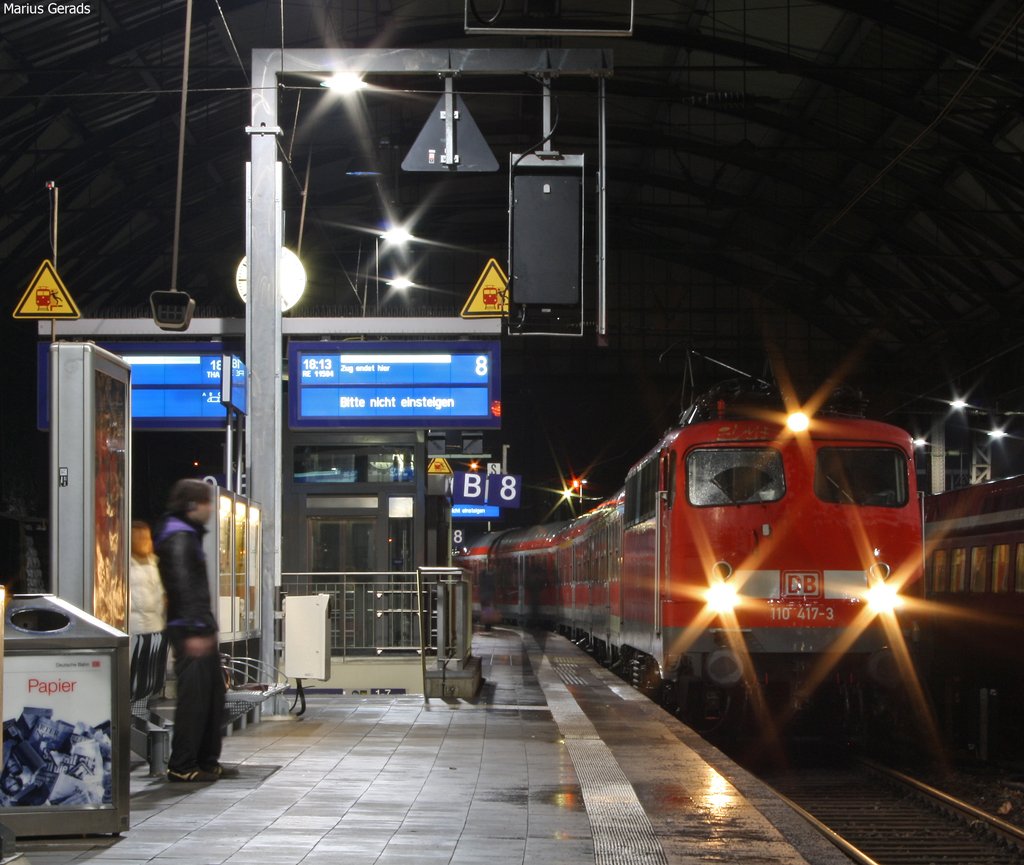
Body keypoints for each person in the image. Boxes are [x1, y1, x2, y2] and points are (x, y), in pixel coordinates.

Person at [154, 479, 229, 783]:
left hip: (198, 625)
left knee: (212, 695)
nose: (212, 509)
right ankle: (183, 764)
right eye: (208, 502)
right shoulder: (179, 537)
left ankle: (205, 760)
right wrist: (196, 629)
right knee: (195, 699)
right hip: (190, 629)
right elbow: (185, 586)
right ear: (193, 505)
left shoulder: (186, 534)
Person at [128, 520, 168, 704]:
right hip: (133, 627)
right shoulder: (124, 563)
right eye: (139, 536)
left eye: (146, 536)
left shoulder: (154, 563)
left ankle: (144, 705)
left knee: (150, 673)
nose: (144, 540)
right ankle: (134, 707)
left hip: (154, 627)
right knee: (134, 673)